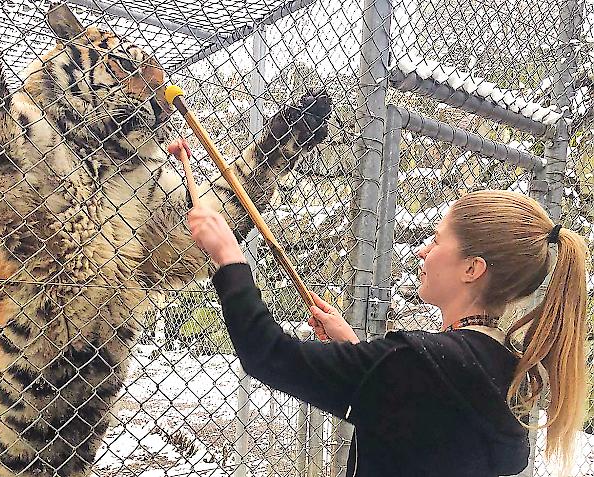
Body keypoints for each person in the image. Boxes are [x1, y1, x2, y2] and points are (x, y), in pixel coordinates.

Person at [179, 156, 587, 477]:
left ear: (472, 268)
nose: (422, 251)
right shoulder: (503, 367)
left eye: (437, 240)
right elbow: (415, 416)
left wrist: (228, 256)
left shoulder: (415, 363)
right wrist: (356, 352)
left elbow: (267, 354)